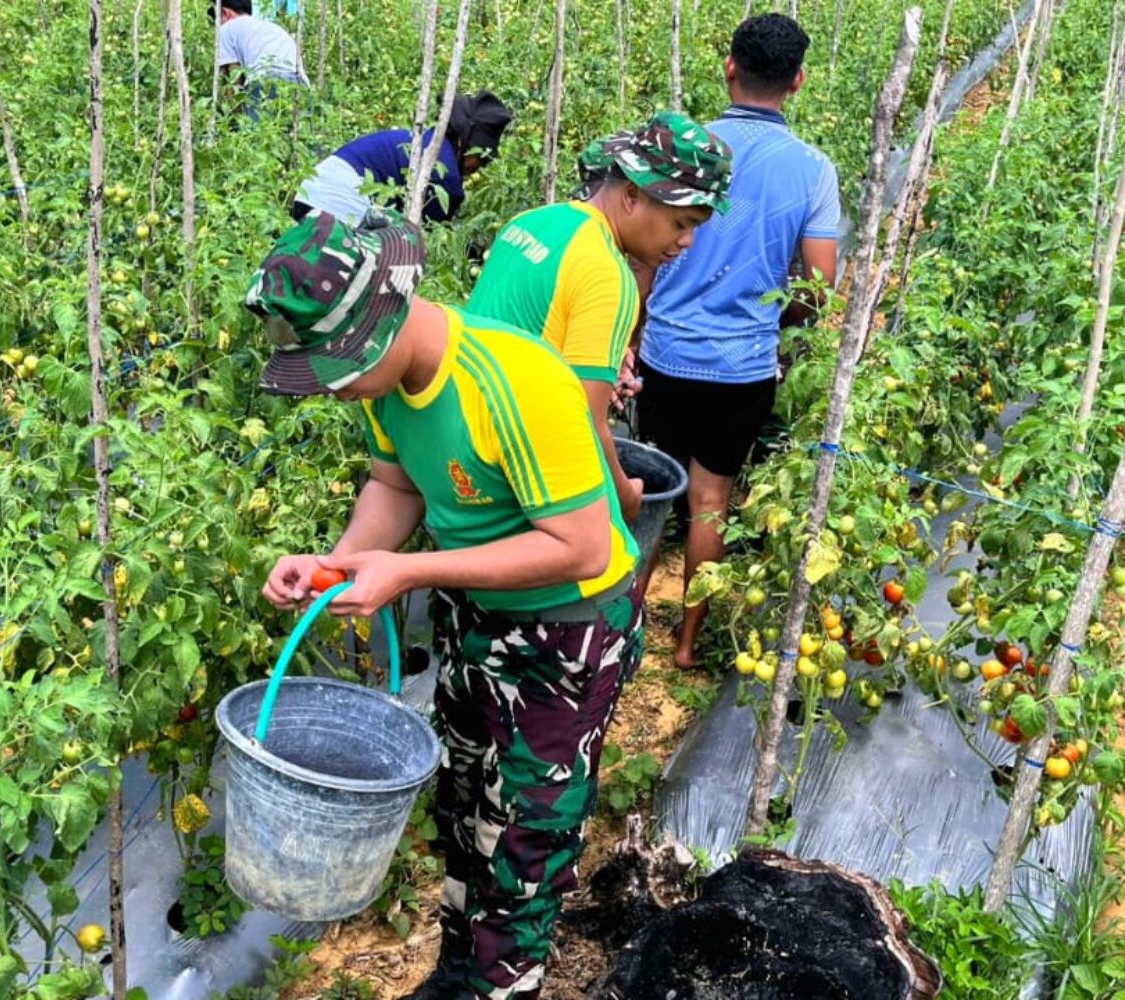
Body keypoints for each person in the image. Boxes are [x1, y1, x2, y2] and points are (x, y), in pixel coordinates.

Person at [248, 210, 644, 1000]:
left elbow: (582, 547)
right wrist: (345, 562)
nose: (336, 386)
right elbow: (395, 484)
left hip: (567, 634)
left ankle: (504, 984)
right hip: (478, 613)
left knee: (523, 845)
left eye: (340, 365)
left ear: (388, 322)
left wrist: (411, 571)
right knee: (466, 811)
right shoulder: (385, 384)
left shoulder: (518, 382)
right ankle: (460, 971)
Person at [636, 13, 841, 670]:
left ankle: (622, 631)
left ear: (729, 67)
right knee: (711, 504)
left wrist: (634, 336)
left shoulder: (683, 151)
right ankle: (688, 642)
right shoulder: (812, 170)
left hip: (663, 355)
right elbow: (817, 289)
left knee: (646, 499)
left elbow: (638, 260)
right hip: (743, 367)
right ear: (799, 81)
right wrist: (769, 324)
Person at [466, 111, 732, 525]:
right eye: (681, 223)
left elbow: (527, 330)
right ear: (631, 195)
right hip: (512, 480)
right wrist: (625, 494)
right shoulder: (607, 273)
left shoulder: (534, 221)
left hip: (464, 451)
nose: (686, 242)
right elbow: (585, 424)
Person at [292, 91, 513, 224]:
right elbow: (430, 235)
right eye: (481, 160)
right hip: (338, 206)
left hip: (310, 192)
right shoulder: (444, 174)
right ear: (464, 144)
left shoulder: (423, 141)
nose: (479, 168)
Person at [208, 0, 308, 120]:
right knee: (296, 134)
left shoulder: (225, 30)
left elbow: (233, 81)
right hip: (301, 83)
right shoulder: (270, 27)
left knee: (258, 134)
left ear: (225, 13)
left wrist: (232, 118)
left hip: (266, 81)